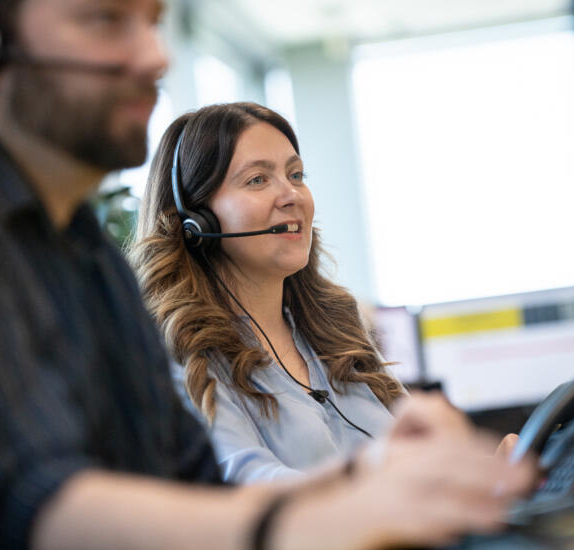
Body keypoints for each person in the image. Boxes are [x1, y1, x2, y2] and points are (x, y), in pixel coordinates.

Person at [0, 0, 535, 548]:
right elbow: (30, 501)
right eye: (104, 20)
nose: (155, 56)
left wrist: (397, 476)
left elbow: (196, 482)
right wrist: (318, 521)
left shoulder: (85, 256)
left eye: (152, 22)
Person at [131, 102, 409, 483]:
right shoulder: (182, 352)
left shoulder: (335, 326)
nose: (290, 194)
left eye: (296, 174)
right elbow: (244, 480)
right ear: (197, 220)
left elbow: (416, 448)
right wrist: (386, 485)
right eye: (258, 180)